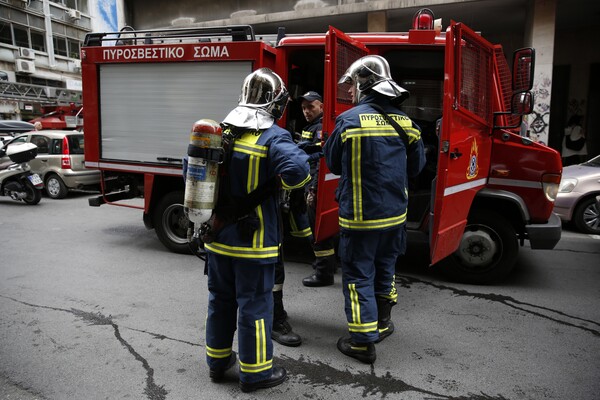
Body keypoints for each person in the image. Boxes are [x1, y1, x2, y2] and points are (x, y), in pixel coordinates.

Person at [203, 68, 310, 392]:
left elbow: (190, 172)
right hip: (256, 242)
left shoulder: (219, 132)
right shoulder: (273, 137)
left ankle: (218, 364)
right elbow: (298, 171)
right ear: (275, 104)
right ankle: (256, 374)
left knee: (219, 302)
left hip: (218, 239)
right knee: (254, 306)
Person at [323, 55, 425, 364]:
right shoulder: (408, 124)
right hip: (395, 217)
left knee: (357, 276)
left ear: (365, 85)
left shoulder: (349, 120)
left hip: (360, 219)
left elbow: (333, 163)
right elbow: (417, 168)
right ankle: (382, 322)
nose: (349, 92)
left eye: (352, 85)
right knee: (386, 268)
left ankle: (362, 343)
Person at [296, 91, 337, 287]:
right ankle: (325, 266)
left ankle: (324, 274)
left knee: (319, 231)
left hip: (314, 186)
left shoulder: (321, 128)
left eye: (311, 107)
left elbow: (321, 159)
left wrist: (313, 189)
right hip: (310, 184)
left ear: (322, 107)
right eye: (304, 108)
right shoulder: (312, 127)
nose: (306, 111)